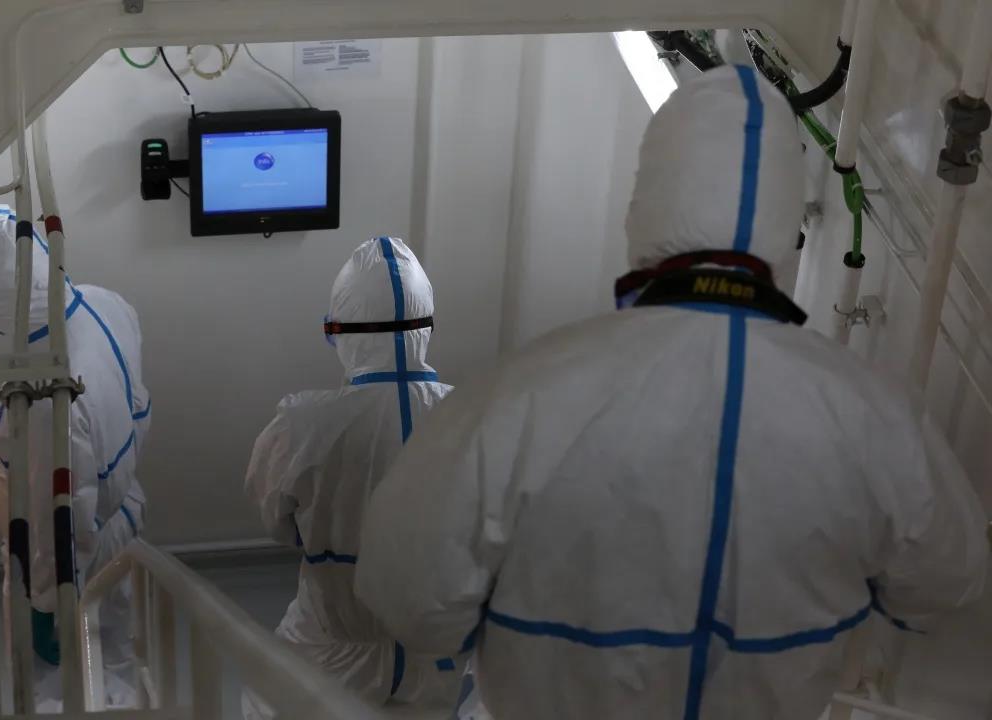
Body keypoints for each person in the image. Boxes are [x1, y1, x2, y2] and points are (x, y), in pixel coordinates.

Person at [354, 66, 989, 720]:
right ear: (786, 231)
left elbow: (408, 598)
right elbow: (944, 582)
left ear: (645, 209)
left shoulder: (516, 396)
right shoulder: (878, 417)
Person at [244, 237, 460, 711]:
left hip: (332, 650)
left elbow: (277, 524)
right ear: (427, 326)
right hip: (439, 655)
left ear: (338, 332)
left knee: (266, 702)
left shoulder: (303, 425)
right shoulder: (474, 415)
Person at [0, 206, 150, 709]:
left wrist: (43, 606)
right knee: (113, 655)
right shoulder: (104, 303)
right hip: (121, 514)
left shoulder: (42, 399)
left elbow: (54, 525)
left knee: (63, 686)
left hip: (75, 557)